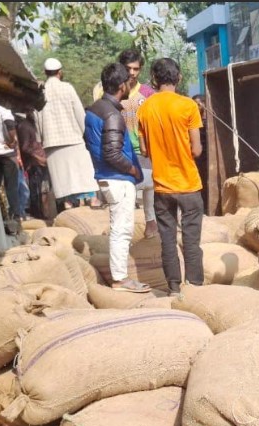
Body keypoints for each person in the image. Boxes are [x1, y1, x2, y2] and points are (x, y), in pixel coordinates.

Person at [137, 58, 204, 295]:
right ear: (179, 78)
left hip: (162, 188)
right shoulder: (188, 105)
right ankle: (194, 286)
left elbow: (144, 150)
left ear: (154, 79)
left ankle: (174, 288)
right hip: (189, 185)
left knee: (167, 241)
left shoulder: (145, 108)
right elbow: (197, 150)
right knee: (191, 240)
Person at [86, 63, 149, 293]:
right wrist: (132, 170)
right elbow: (112, 153)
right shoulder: (112, 115)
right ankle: (120, 279)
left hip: (107, 175)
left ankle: (119, 277)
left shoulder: (95, 109)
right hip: (117, 178)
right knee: (122, 230)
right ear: (122, 85)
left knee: (118, 228)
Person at [94, 49, 159, 238]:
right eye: (128, 68)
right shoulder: (108, 93)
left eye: (136, 69)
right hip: (120, 151)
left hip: (144, 150)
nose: (132, 73)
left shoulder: (148, 94)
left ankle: (150, 223)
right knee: (125, 195)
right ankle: (123, 232)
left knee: (150, 189)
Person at [33, 57, 100, 210]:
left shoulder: (40, 92)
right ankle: (93, 199)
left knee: (62, 178)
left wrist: (40, 139)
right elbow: (79, 112)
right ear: (60, 72)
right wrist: (85, 133)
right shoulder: (67, 88)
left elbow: (36, 117)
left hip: (51, 142)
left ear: (45, 72)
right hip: (73, 138)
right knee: (84, 172)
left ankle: (68, 204)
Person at [0, 102, 23, 220]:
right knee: (11, 186)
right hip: (6, 152)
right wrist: (13, 141)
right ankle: (15, 215)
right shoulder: (3, 107)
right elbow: (10, 124)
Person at [16, 109, 52, 220]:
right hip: (34, 164)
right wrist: (39, 158)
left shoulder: (34, 125)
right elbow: (25, 147)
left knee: (44, 190)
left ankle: (42, 213)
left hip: (41, 162)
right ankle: (36, 213)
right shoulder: (25, 126)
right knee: (35, 190)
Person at [192, 93, 210, 209]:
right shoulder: (193, 122)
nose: (196, 107)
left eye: (197, 104)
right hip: (197, 158)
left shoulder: (209, 122)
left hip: (208, 157)